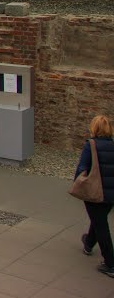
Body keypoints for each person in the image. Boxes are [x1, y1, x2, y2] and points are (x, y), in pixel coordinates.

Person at [75, 115, 114, 277]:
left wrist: (77, 183)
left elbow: (82, 168)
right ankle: (89, 243)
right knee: (99, 219)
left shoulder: (90, 146)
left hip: (95, 191)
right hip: (111, 193)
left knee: (101, 225)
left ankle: (110, 264)